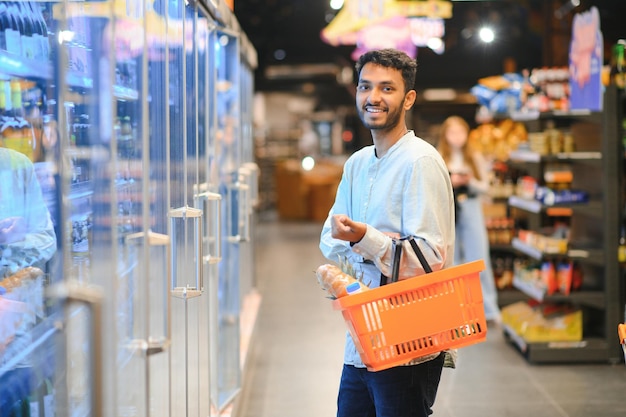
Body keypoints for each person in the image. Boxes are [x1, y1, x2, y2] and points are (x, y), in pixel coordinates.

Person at [319, 48, 455, 417]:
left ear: (408, 98)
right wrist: (352, 254)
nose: (373, 97)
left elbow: (430, 259)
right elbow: (330, 239)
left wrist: (365, 239)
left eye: (387, 88)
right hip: (362, 338)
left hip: (409, 342)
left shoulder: (420, 162)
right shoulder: (358, 163)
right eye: (365, 87)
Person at [436, 115, 501, 323]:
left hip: (471, 206)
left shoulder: (475, 156)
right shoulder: (438, 157)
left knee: (478, 257)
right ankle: (456, 311)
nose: (457, 137)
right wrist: (450, 181)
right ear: (445, 135)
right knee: (451, 260)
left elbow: (485, 187)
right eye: (452, 132)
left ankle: (488, 310)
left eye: (460, 132)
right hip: (449, 209)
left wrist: (469, 181)